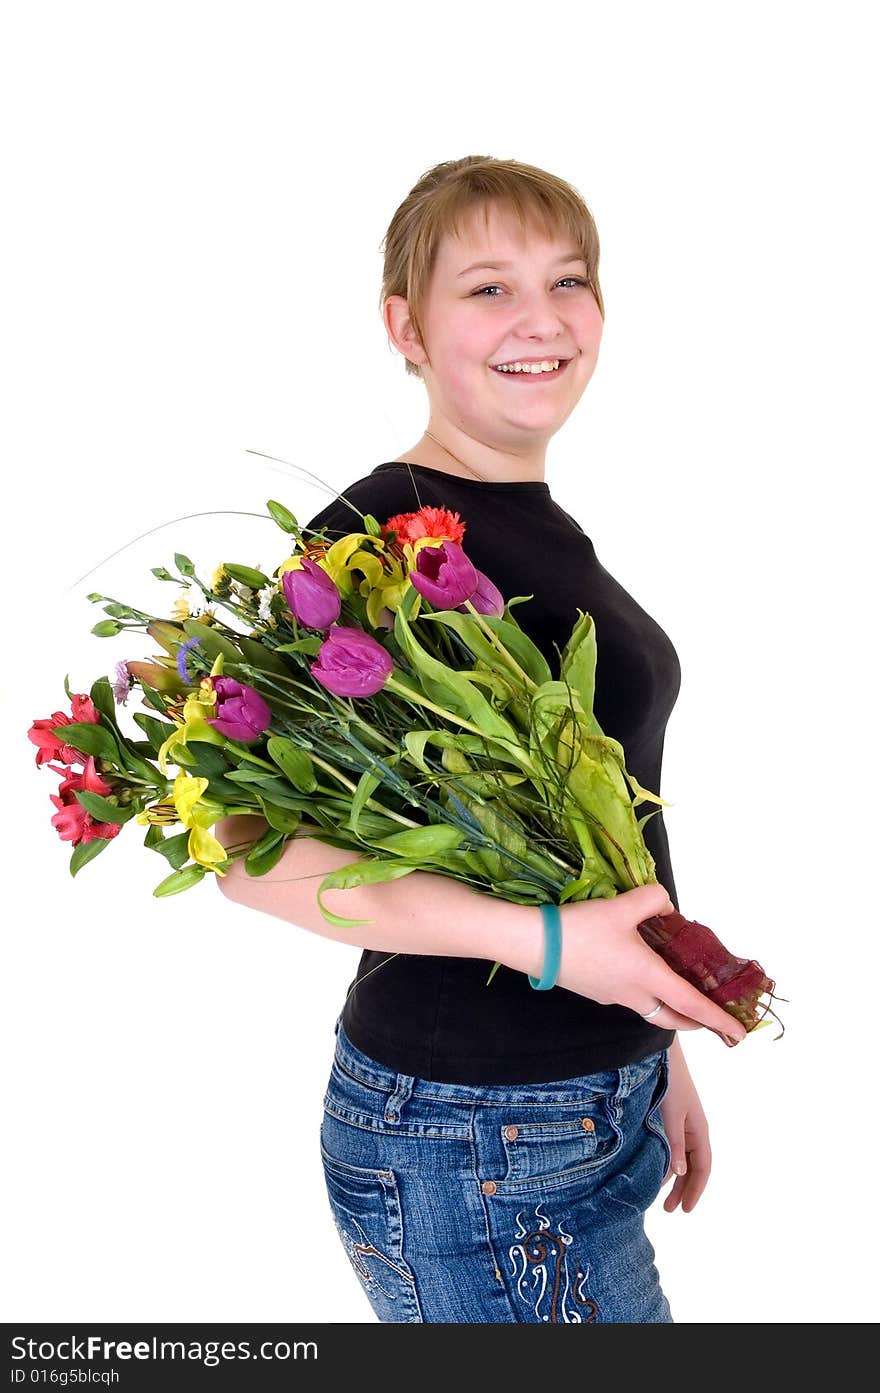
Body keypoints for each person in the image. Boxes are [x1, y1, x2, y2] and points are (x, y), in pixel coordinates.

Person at [215, 156, 746, 1324]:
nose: (543, 320)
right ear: (404, 325)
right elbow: (250, 855)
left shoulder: (528, 518)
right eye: (488, 289)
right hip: (473, 1133)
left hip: (576, 1101)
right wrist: (553, 946)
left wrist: (654, 1047)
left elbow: (600, 821)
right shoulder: (371, 539)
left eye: (568, 279)